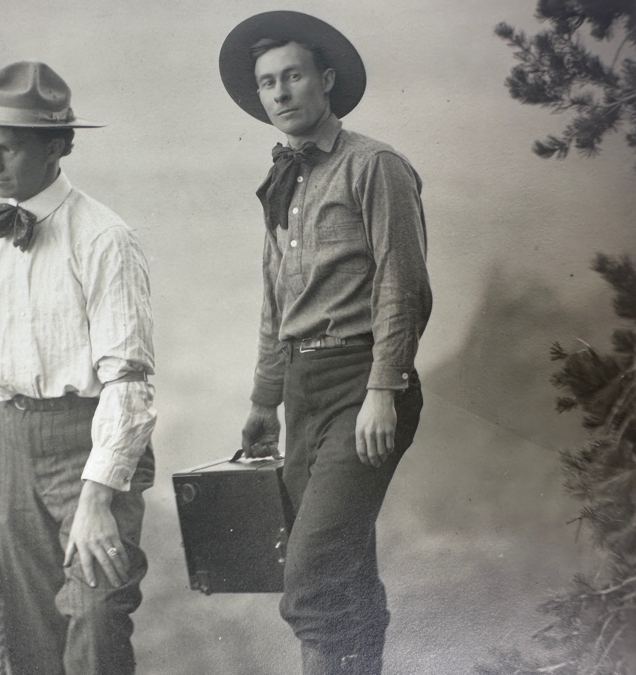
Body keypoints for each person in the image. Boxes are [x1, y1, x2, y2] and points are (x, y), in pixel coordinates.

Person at [219, 12, 432, 675]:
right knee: (344, 572)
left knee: (310, 576)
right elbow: (276, 303)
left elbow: (404, 285)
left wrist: (382, 389)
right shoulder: (285, 180)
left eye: (293, 76)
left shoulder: (376, 166)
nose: (280, 93)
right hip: (303, 394)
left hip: (363, 385)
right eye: (267, 83)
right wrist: (263, 403)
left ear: (327, 81)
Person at [0, 61, 156, 675]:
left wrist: (96, 501)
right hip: (11, 451)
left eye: (6, 150)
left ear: (57, 147)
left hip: (87, 450)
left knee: (96, 614)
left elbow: (130, 381)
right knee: (27, 631)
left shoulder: (104, 239)